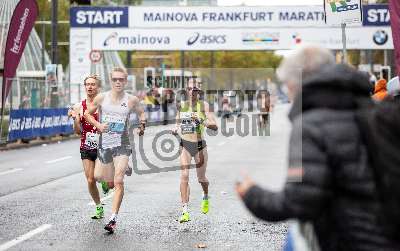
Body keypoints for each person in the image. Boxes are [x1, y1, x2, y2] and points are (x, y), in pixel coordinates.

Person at [236, 45, 400, 250]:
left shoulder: (309, 125)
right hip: (389, 237)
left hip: (349, 240)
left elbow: (300, 201)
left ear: (297, 83)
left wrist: (252, 194)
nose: (288, 90)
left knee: (295, 237)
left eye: (287, 84)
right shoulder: (376, 109)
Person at [84, 67, 146, 233]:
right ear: (111, 81)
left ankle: (113, 219)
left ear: (125, 81)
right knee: (97, 177)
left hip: (122, 145)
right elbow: (86, 114)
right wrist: (98, 125)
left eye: (121, 79)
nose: (118, 82)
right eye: (115, 79)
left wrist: (142, 126)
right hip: (105, 144)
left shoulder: (131, 99)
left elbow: (141, 114)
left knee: (118, 182)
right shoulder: (101, 97)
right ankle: (118, 171)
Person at [173, 78, 218, 223]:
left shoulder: (204, 106)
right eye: (190, 89)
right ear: (186, 90)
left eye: (195, 89)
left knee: (201, 179)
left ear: (199, 91)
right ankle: (185, 210)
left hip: (200, 146)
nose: (192, 91)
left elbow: (215, 126)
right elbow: (178, 122)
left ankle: (205, 196)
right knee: (184, 175)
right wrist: (175, 129)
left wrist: (202, 121)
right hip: (185, 144)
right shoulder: (182, 106)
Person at [67, 74, 110, 219]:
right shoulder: (79, 106)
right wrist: (76, 119)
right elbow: (78, 131)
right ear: (85, 87)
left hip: (103, 146)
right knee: (90, 180)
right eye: (88, 84)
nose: (90, 87)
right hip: (86, 145)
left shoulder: (104, 105)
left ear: (98, 87)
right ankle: (99, 207)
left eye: (93, 84)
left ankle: (104, 179)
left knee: (98, 175)